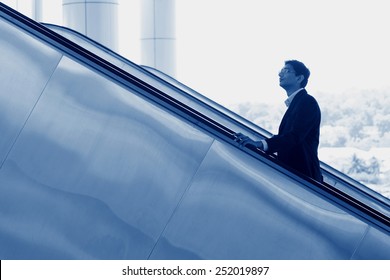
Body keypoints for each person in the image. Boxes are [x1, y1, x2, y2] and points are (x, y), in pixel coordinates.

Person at [235, 60, 322, 182]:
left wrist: (260, 144)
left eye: (286, 71)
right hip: (295, 174)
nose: (280, 75)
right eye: (280, 71)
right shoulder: (298, 103)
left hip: (303, 176)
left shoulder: (307, 102)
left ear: (299, 78)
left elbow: (294, 137)